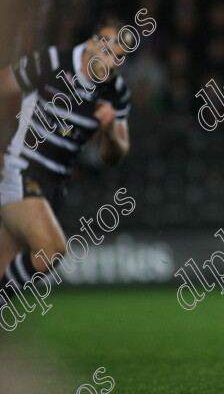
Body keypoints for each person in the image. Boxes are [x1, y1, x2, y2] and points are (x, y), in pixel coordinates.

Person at [0, 20, 131, 317]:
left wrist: (109, 130)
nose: (111, 63)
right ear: (91, 44)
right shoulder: (50, 62)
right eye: (108, 52)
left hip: (54, 188)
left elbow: (117, 156)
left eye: (119, 58)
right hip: (20, 169)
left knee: (7, 263)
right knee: (51, 249)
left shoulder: (116, 93)